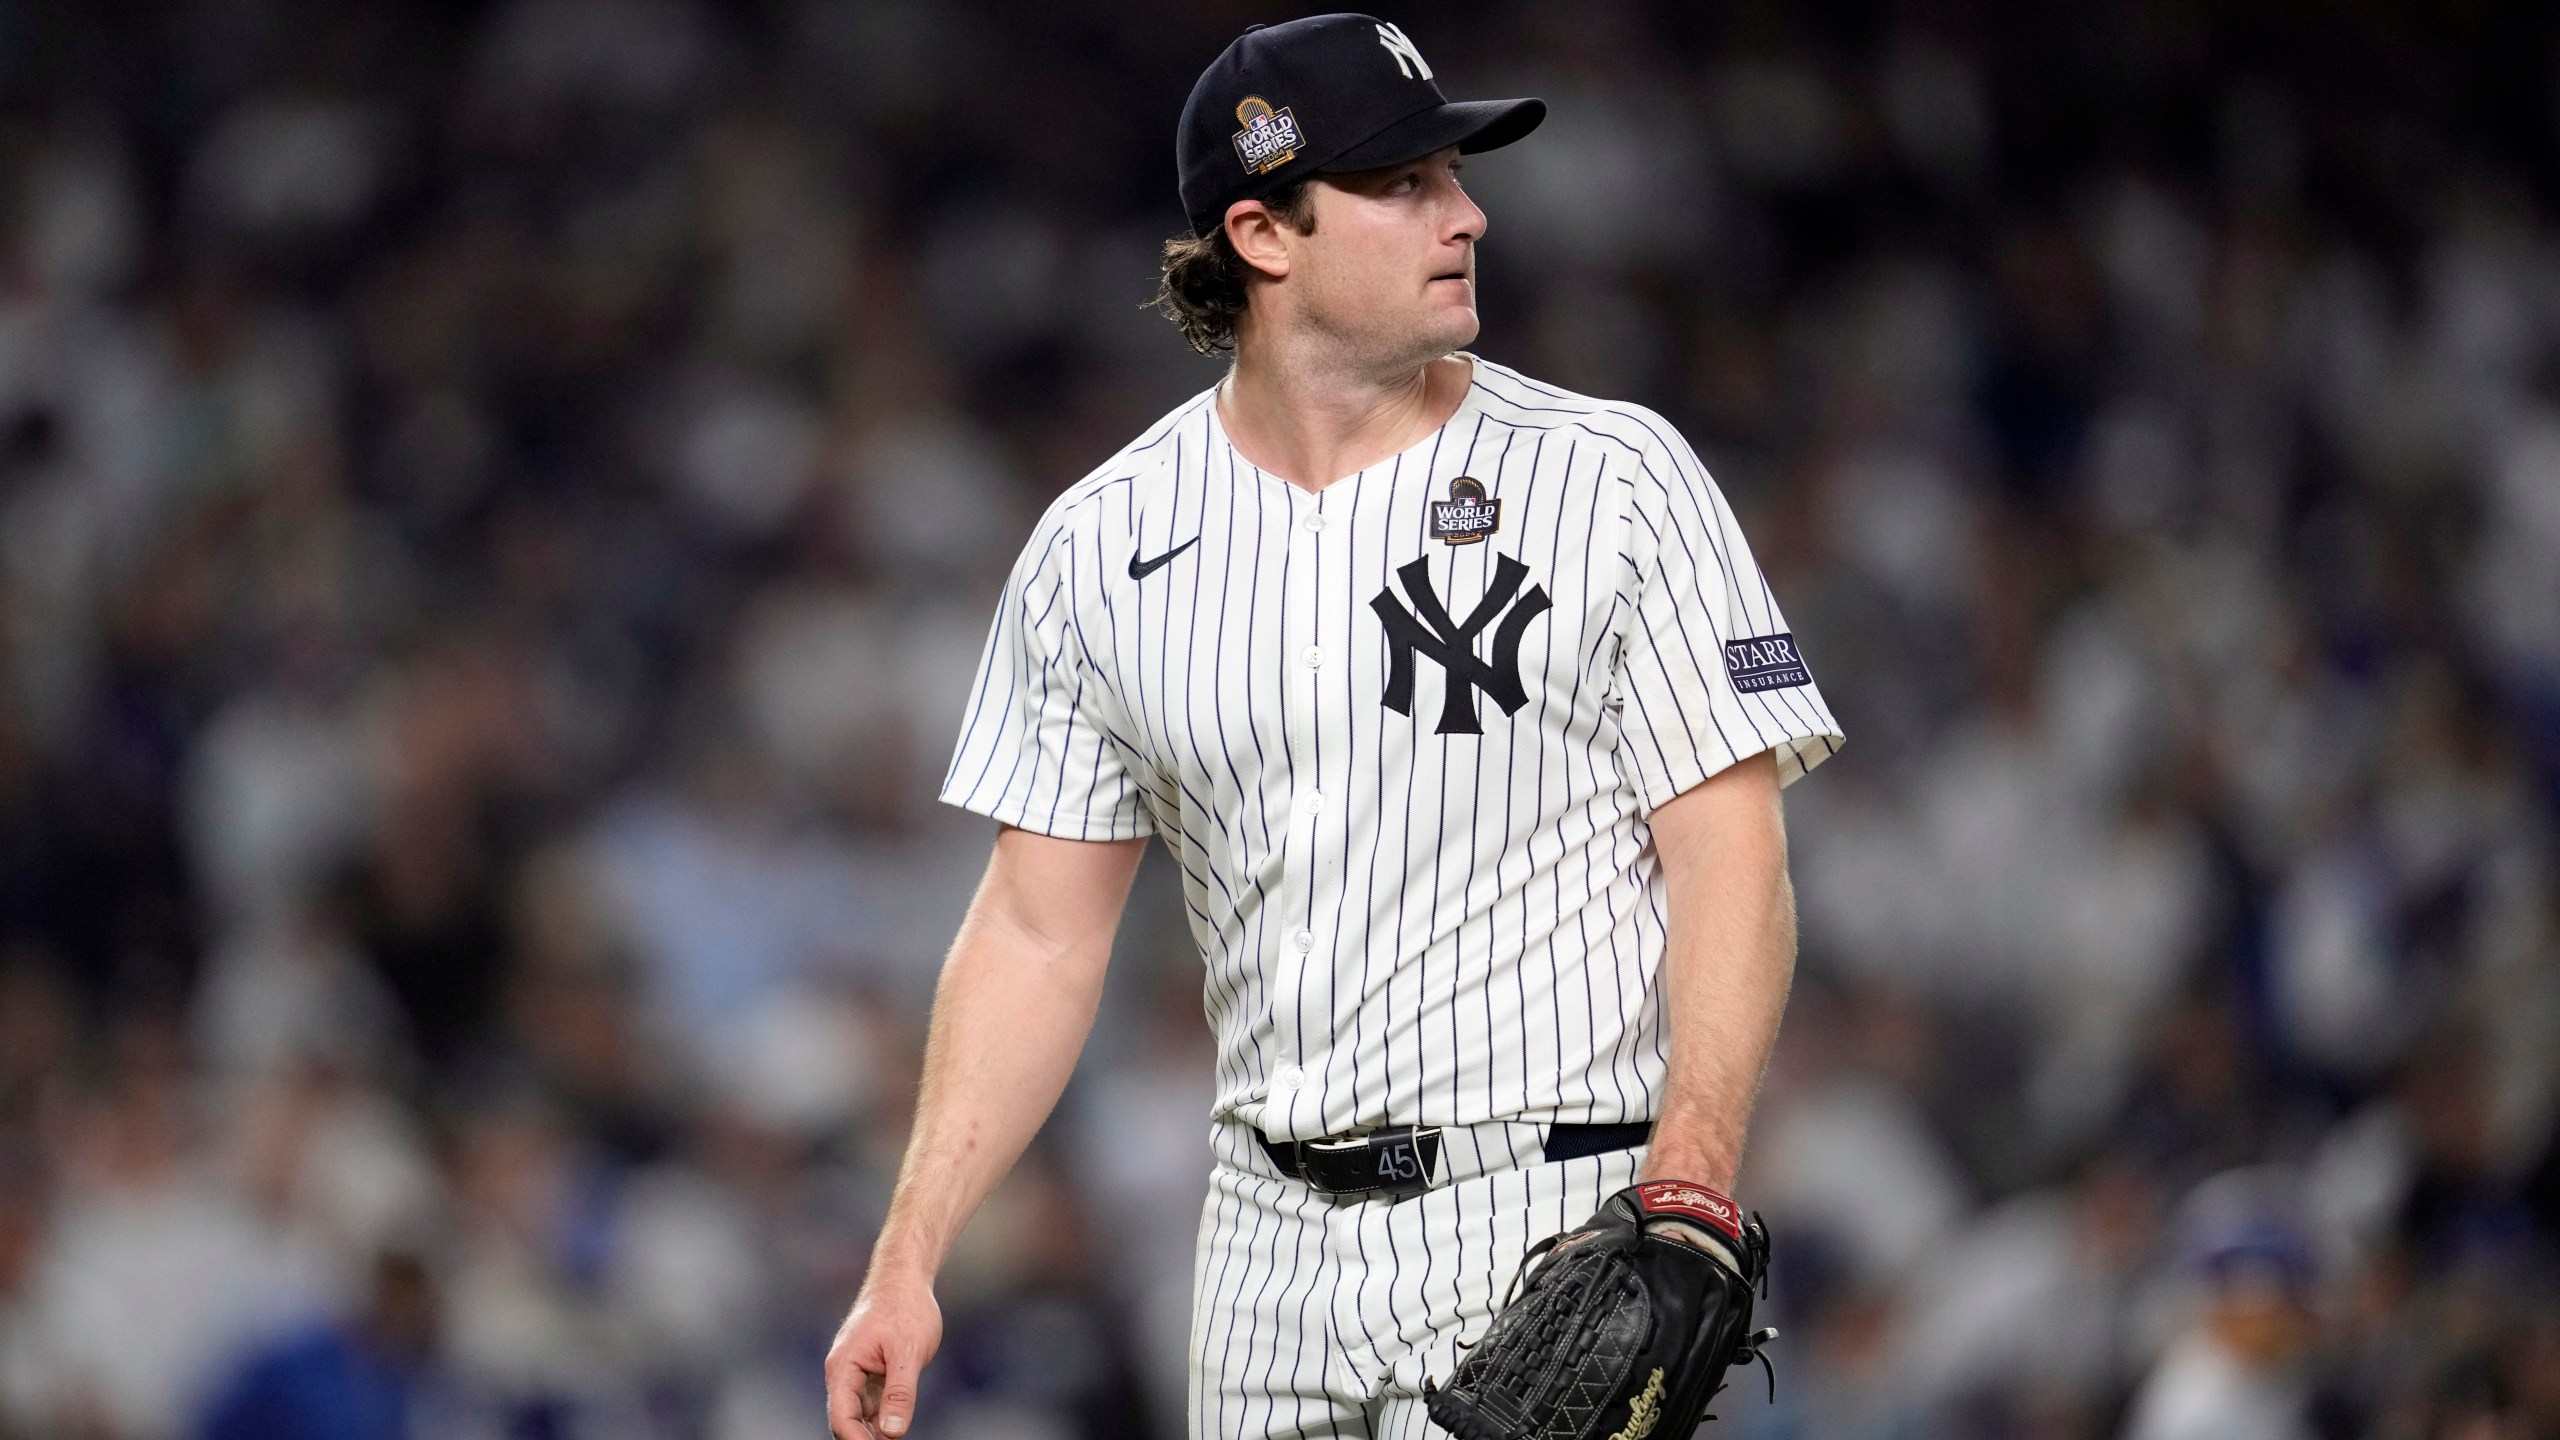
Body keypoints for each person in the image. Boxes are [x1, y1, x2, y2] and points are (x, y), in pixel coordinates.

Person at [824, 14, 1842, 1439]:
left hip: (1547, 1217)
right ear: (1263, 232)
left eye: (1454, 175)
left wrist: (1691, 1177)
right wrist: (910, 1255)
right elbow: (1038, 933)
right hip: (1257, 1254)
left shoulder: (1617, 479)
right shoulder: (1099, 544)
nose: (1467, 214)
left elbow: (1733, 853)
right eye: (1405, 183)